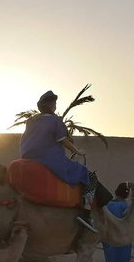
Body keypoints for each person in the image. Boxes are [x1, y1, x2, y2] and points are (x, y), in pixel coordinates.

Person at [20, 90, 107, 232]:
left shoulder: (31, 121)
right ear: (52, 105)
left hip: (27, 158)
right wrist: (77, 151)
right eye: (54, 103)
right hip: (49, 160)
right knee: (89, 176)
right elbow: (62, 140)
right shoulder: (56, 121)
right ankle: (85, 214)